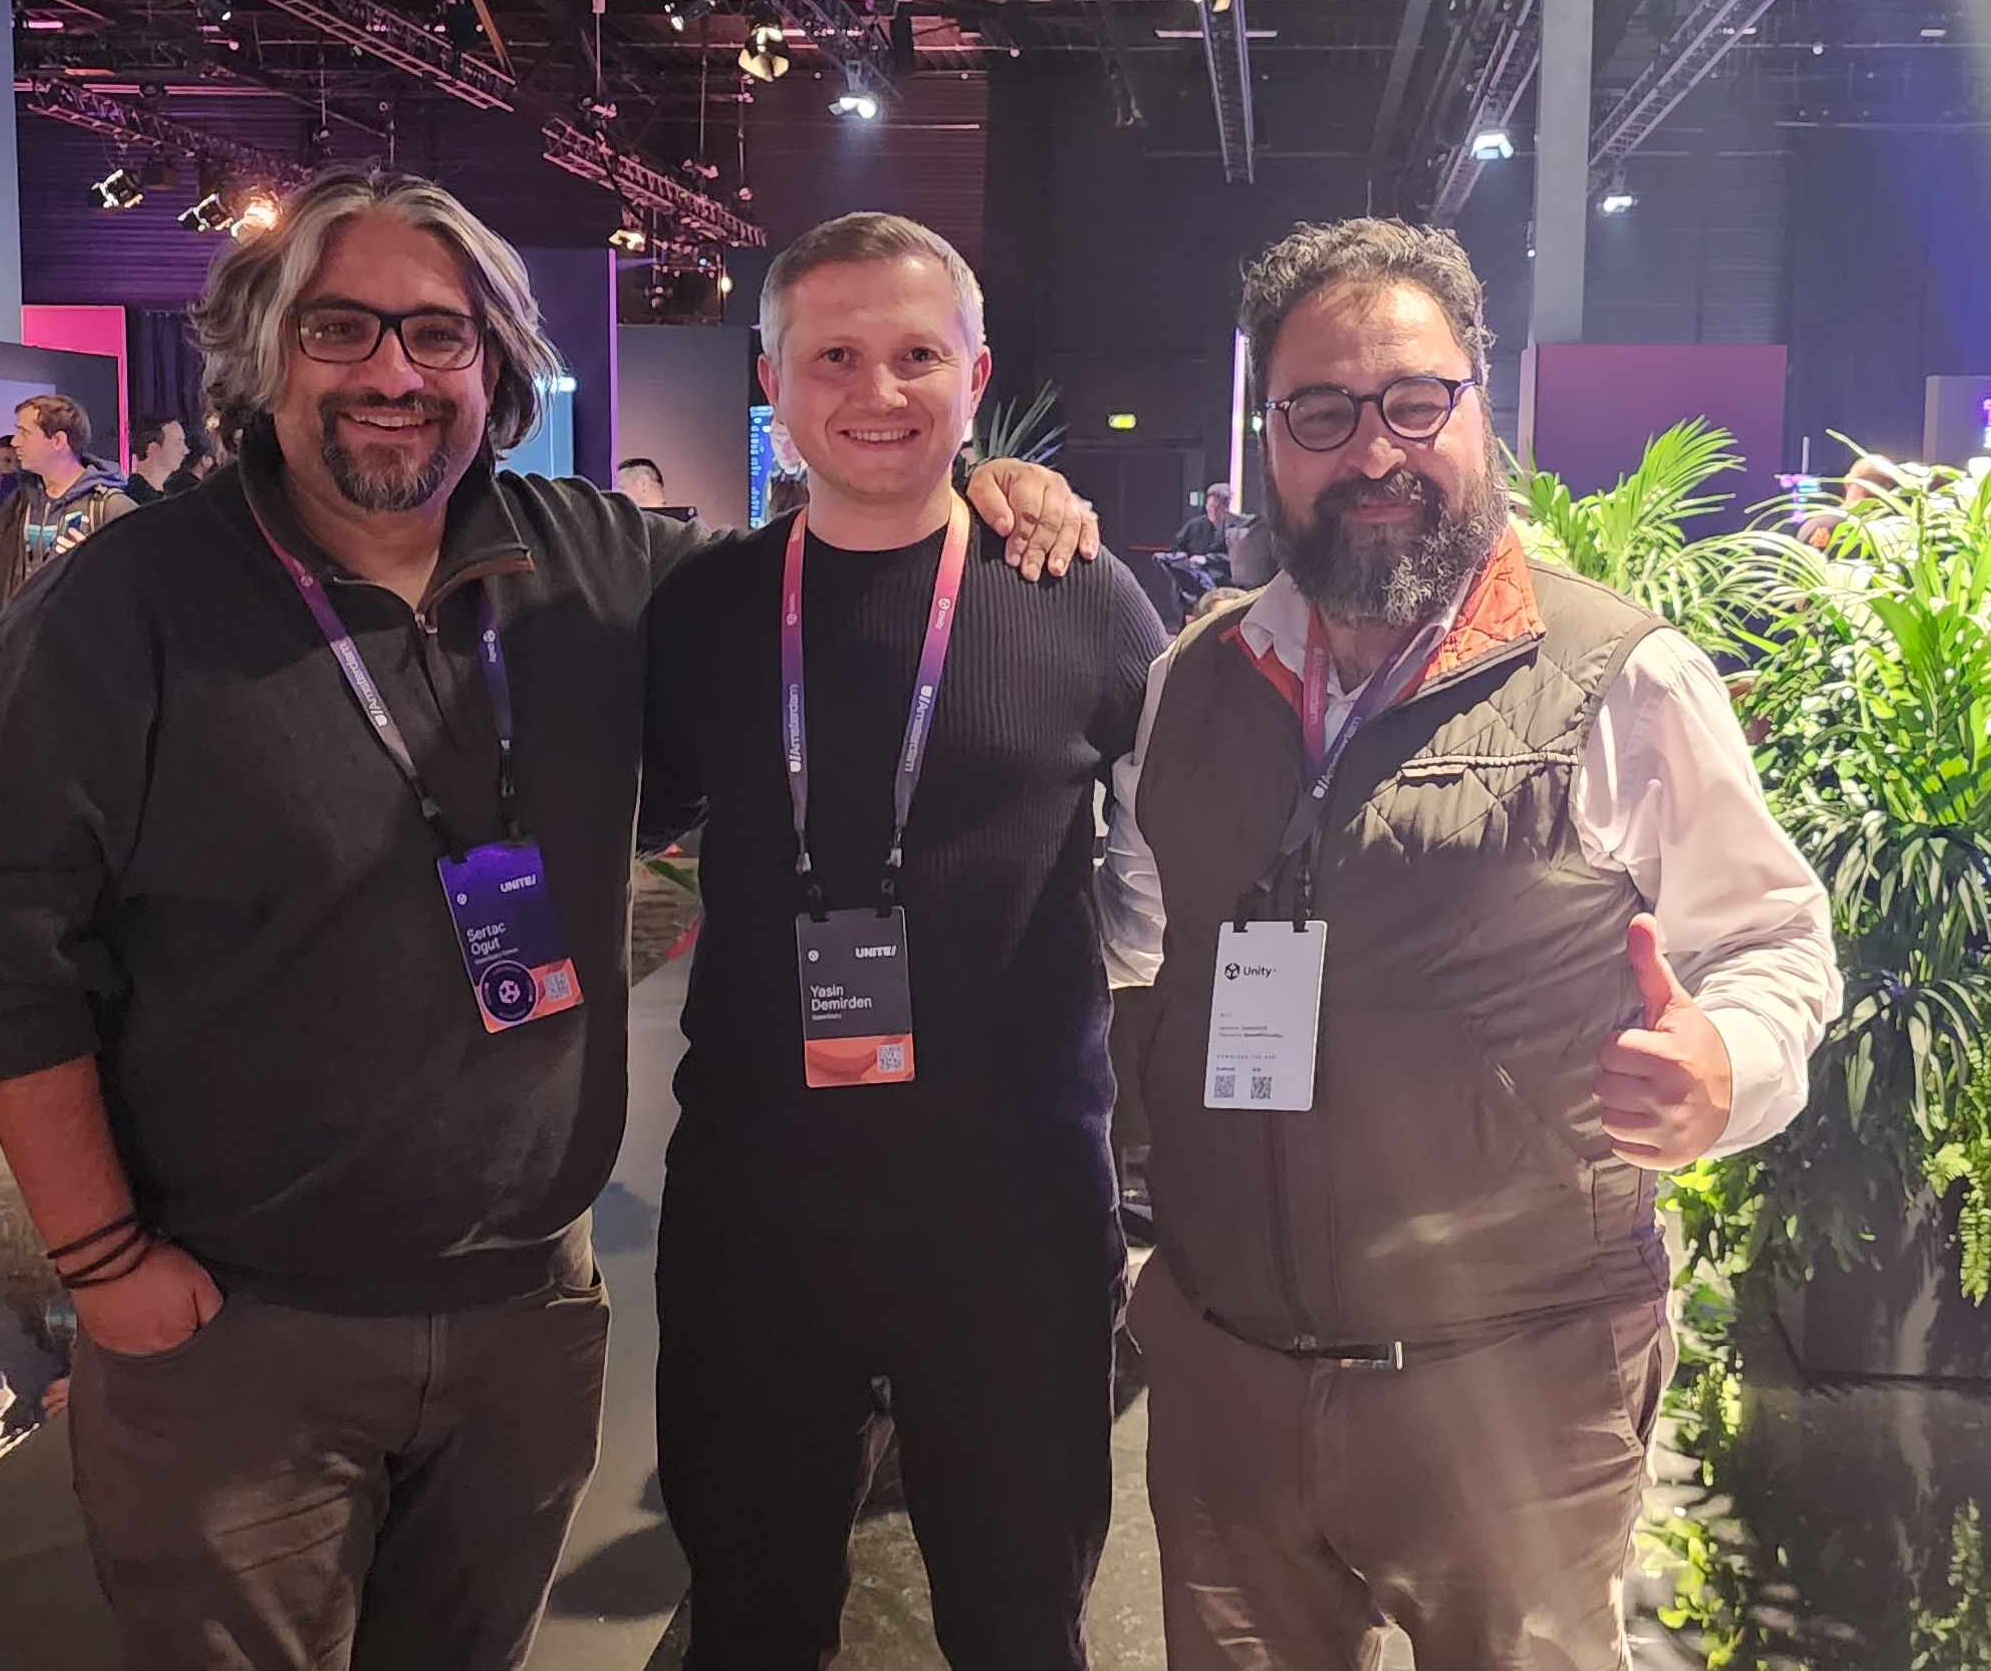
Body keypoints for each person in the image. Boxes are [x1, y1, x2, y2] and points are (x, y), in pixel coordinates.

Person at [0, 166, 1093, 1671]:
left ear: (498, 365)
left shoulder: (602, 565)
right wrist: (99, 1262)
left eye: (439, 334)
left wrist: (985, 486)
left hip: (527, 1310)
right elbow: (0, 951)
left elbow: (838, 584)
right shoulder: (122, 604)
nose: (393, 372)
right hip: (240, 1330)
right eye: (341, 327)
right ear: (265, 350)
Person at [1099, 217, 1840, 1669]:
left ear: (1477, 405)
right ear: (1268, 435)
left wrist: (1727, 1067)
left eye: (1413, 400)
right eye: (1321, 411)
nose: (1372, 450)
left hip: (1516, 1395)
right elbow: (1136, 946)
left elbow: (1771, 941)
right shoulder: (1194, 678)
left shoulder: (1620, 675)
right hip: (1229, 1379)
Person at [642, 214, 1165, 1670]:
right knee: (750, 1622)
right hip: (756, 1211)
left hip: (1014, 1217)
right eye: (834, 357)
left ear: (975, 374)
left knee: (1019, 1622)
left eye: (918, 354)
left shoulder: (1082, 596)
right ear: (771, 381)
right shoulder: (704, 610)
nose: (877, 391)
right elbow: (639, 816)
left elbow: (1160, 873)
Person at [0, 395, 133, 619]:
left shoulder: (111, 507)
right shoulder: (19, 502)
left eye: (24, 433)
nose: (15, 442)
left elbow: (141, 585)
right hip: (22, 637)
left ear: (59, 441)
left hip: (81, 637)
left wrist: (95, 566)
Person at [125, 416, 191, 505]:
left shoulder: (170, 495)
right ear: (153, 448)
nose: (185, 451)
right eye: (177, 444)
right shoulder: (132, 497)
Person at [1171, 482, 1236, 558]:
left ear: (1226, 508)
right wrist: (1180, 554)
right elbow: (1177, 545)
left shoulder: (1235, 529)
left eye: (1218, 507)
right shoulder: (1194, 525)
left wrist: (1206, 560)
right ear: (1206, 506)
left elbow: (1235, 557)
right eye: (1211, 506)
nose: (1214, 511)